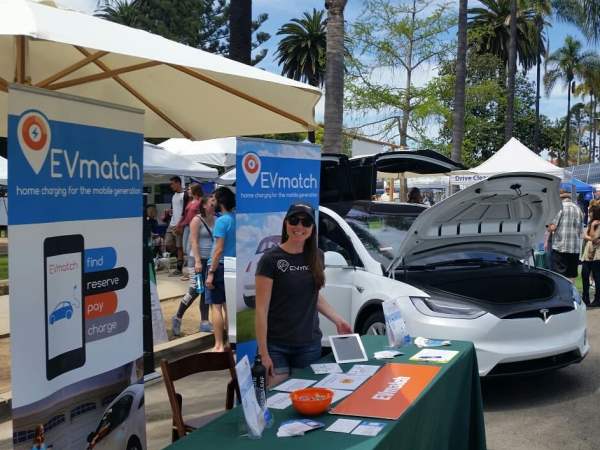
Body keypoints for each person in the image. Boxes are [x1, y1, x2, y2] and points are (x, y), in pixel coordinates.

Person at [255, 201, 353, 386]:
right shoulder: (270, 260)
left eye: (306, 222)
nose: (299, 226)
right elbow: (261, 309)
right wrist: (263, 352)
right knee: (277, 403)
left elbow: (312, 295)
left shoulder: (317, 256)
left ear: (313, 227)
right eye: (294, 220)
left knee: (306, 400)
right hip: (276, 346)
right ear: (286, 223)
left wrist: (338, 320)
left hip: (309, 345)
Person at [172, 195, 216, 335]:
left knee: (206, 291)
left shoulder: (216, 220)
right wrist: (197, 260)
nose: (214, 205)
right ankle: (178, 316)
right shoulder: (197, 220)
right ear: (204, 205)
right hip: (196, 259)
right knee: (196, 289)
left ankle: (204, 322)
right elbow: (193, 242)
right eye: (212, 203)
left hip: (209, 260)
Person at [205, 187, 236, 352]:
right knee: (228, 306)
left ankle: (218, 344)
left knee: (215, 306)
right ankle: (230, 343)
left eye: (214, 199)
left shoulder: (221, 221)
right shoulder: (237, 219)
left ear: (221, 201)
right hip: (232, 266)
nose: (212, 202)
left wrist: (211, 272)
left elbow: (218, 249)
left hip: (218, 266)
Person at [546, 190, 584, 283]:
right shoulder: (578, 209)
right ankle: (571, 295)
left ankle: (562, 296)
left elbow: (553, 227)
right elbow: (581, 230)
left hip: (561, 247)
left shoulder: (560, 208)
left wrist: (547, 226)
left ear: (560, 198)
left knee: (560, 275)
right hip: (574, 247)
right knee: (571, 275)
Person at [164, 176, 189, 277]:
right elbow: (174, 209)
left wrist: (180, 224)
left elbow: (184, 211)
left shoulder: (185, 195)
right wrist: (169, 211)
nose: (171, 186)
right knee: (168, 243)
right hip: (172, 223)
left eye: (172, 184)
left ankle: (179, 268)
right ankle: (180, 258)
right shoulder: (174, 195)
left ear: (178, 183)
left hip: (179, 223)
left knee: (179, 246)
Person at [180, 184, 204, 281]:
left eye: (189, 189)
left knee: (191, 249)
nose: (187, 191)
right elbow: (186, 213)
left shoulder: (200, 201)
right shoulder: (190, 201)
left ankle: (192, 272)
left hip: (194, 226)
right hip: (187, 226)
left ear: (194, 190)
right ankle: (192, 270)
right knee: (186, 249)